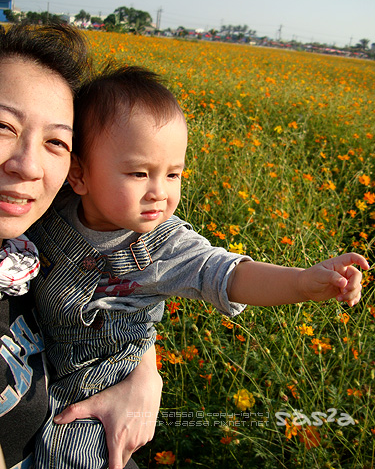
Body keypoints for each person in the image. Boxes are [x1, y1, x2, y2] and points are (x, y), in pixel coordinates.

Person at [27, 64, 369, 469]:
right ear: (79, 173)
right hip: (41, 365)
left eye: (174, 174)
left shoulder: (163, 244)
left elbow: (227, 273)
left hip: (101, 387)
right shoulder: (50, 208)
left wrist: (302, 282)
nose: (160, 192)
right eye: (139, 173)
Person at [0, 25, 162, 469]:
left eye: (56, 142)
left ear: (75, 172)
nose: (28, 165)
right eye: (2, 126)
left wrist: (145, 372)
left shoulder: (29, 249)